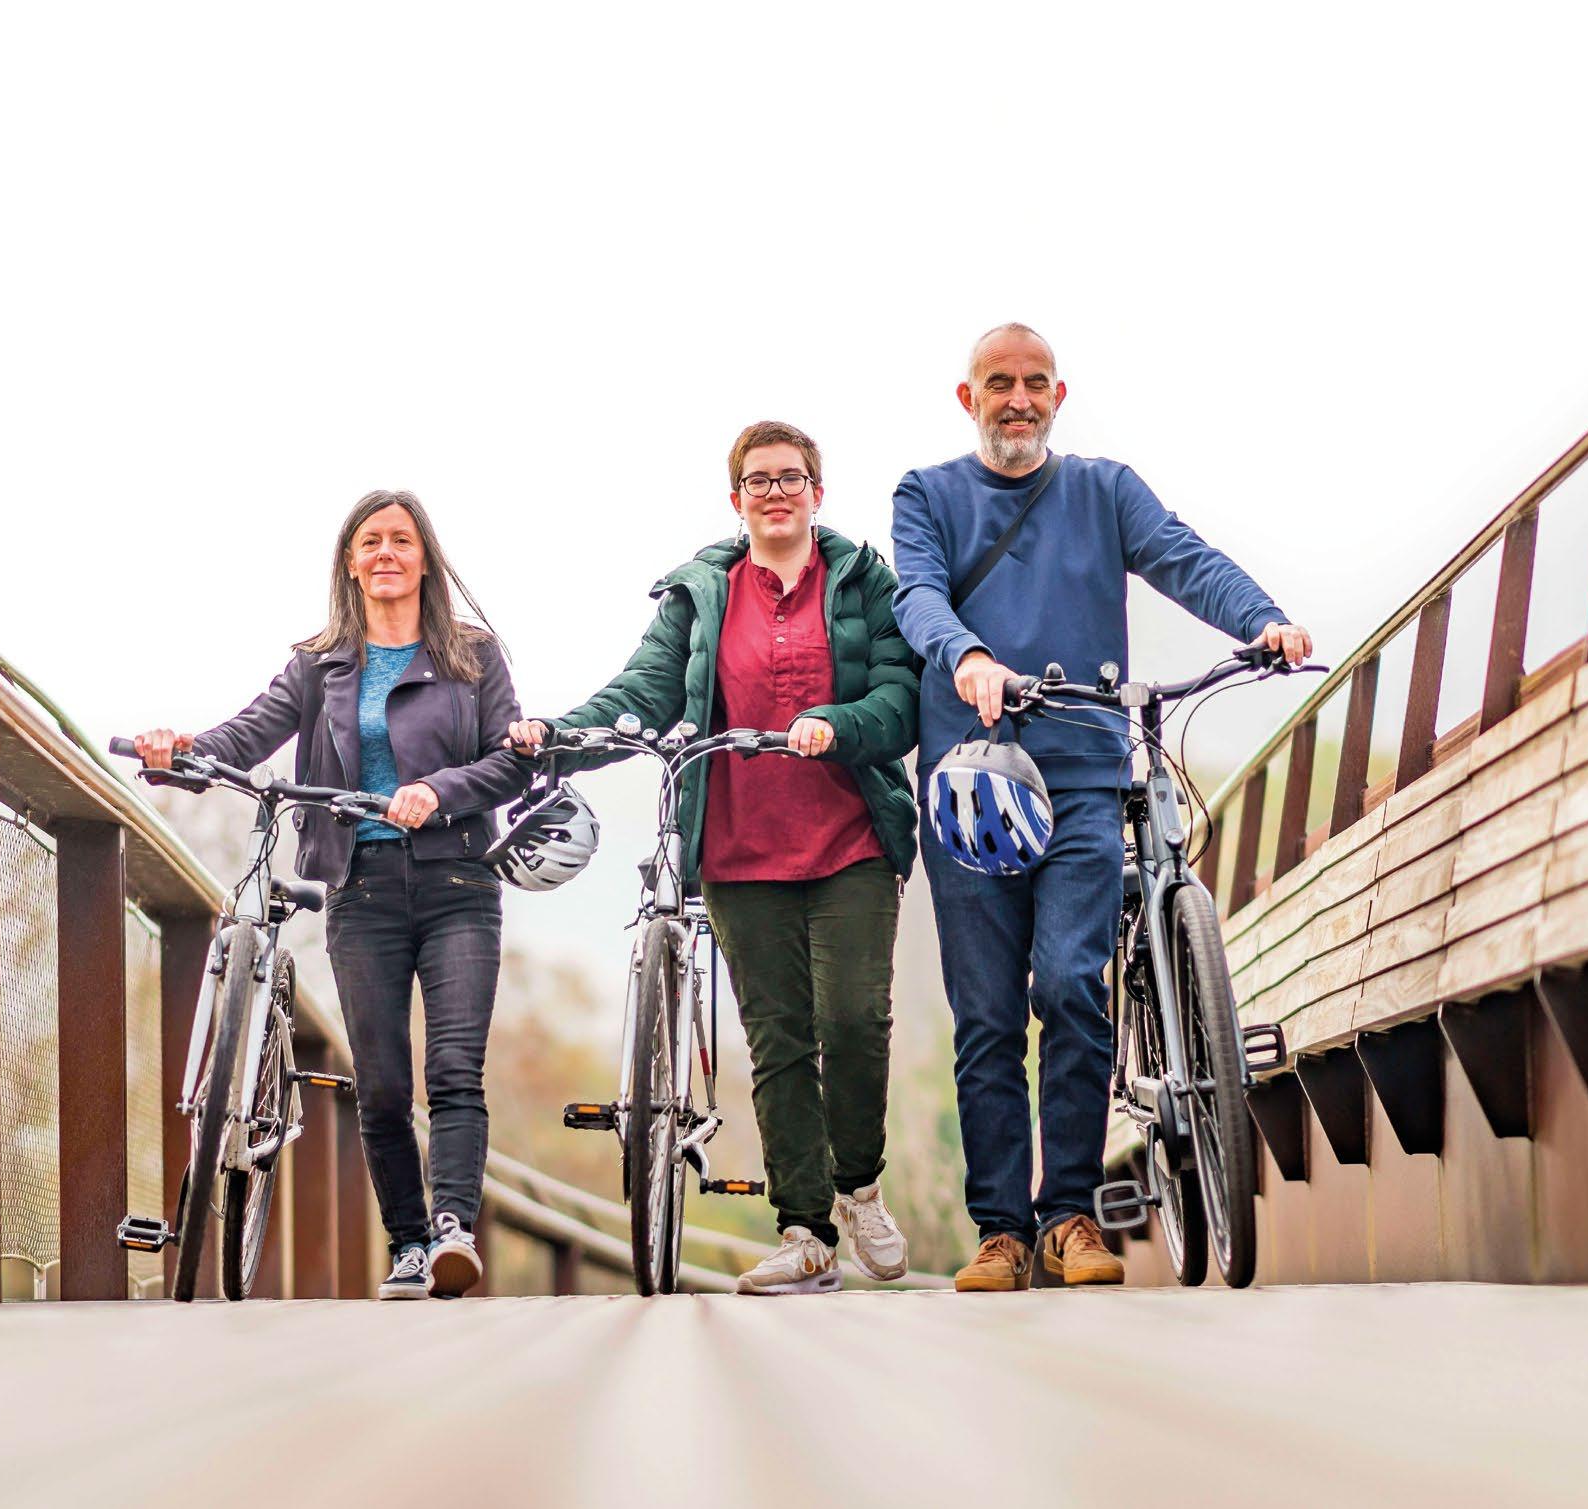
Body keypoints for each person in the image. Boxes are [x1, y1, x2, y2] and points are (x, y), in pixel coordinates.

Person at [892, 325, 1313, 1292]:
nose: (1018, 399)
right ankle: (1001, 1230)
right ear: (967, 398)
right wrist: (967, 656)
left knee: (1072, 985)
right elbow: (917, 596)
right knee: (987, 1014)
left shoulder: (1104, 489)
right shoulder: (927, 494)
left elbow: (1182, 556)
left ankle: (1069, 1215)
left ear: (1058, 395)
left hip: (1084, 768)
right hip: (970, 783)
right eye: (999, 383)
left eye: (1035, 383)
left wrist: (1262, 619)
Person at [510, 421, 920, 1295]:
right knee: (777, 1040)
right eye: (758, 480)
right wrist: (558, 733)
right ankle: (805, 1230)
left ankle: (858, 1186)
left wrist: (837, 723)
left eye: (791, 477)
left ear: (817, 492)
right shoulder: (701, 595)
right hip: (738, 848)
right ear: (736, 499)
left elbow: (900, 697)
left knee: (853, 1021)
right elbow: (644, 689)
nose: (776, 492)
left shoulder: (862, 581)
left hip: (849, 839)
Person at [134, 489, 531, 1300]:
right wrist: (177, 752)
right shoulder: (319, 665)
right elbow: (247, 733)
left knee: (454, 1070)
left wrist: (440, 789)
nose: (386, 553)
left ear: (425, 558)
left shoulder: (473, 655)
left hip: (457, 880)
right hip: (361, 888)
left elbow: (511, 760)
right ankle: (408, 1242)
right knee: (380, 1082)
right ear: (349, 562)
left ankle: (452, 1228)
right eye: (370, 541)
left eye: (401, 540)